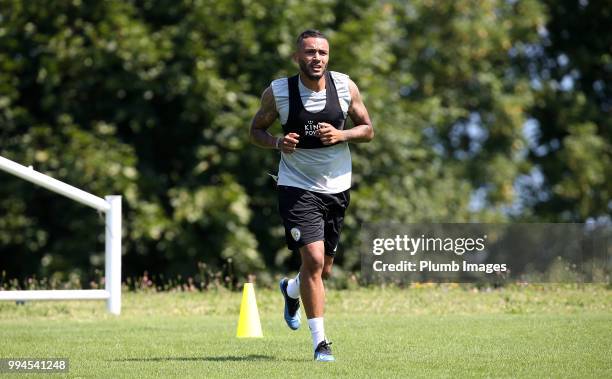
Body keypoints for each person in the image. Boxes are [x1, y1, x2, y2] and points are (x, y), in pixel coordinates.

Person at [249, 29, 374, 362]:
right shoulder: (279, 92)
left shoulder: (345, 87)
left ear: (328, 57)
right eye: (309, 52)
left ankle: (291, 290)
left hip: (337, 188)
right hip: (296, 185)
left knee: (323, 270)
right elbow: (255, 130)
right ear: (297, 57)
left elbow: (368, 129)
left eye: (322, 52)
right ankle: (321, 344)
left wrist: (341, 133)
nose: (316, 58)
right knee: (314, 261)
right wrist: (277, 143)